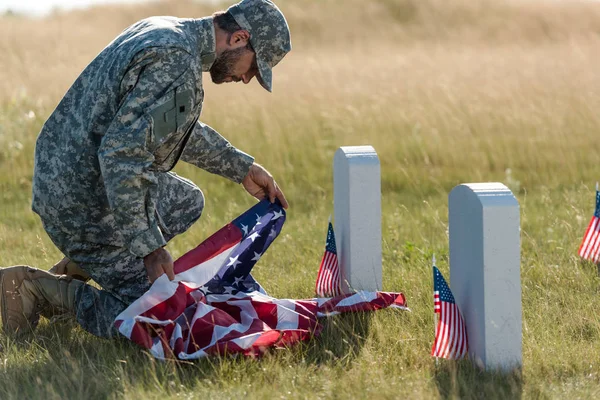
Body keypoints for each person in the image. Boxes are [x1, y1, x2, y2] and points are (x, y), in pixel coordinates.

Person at [0, 0, 291, 338]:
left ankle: (79, 269)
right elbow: (122, 154)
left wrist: (241, 167)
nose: (245, 79)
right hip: (78, 198)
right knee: (155, 321)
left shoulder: (168, 32)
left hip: (72, 177)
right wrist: (149, 248)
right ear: (240, 38)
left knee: (185, 200)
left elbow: (164, 127)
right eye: (253, 69)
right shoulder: (176, 62)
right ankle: (34, 290)